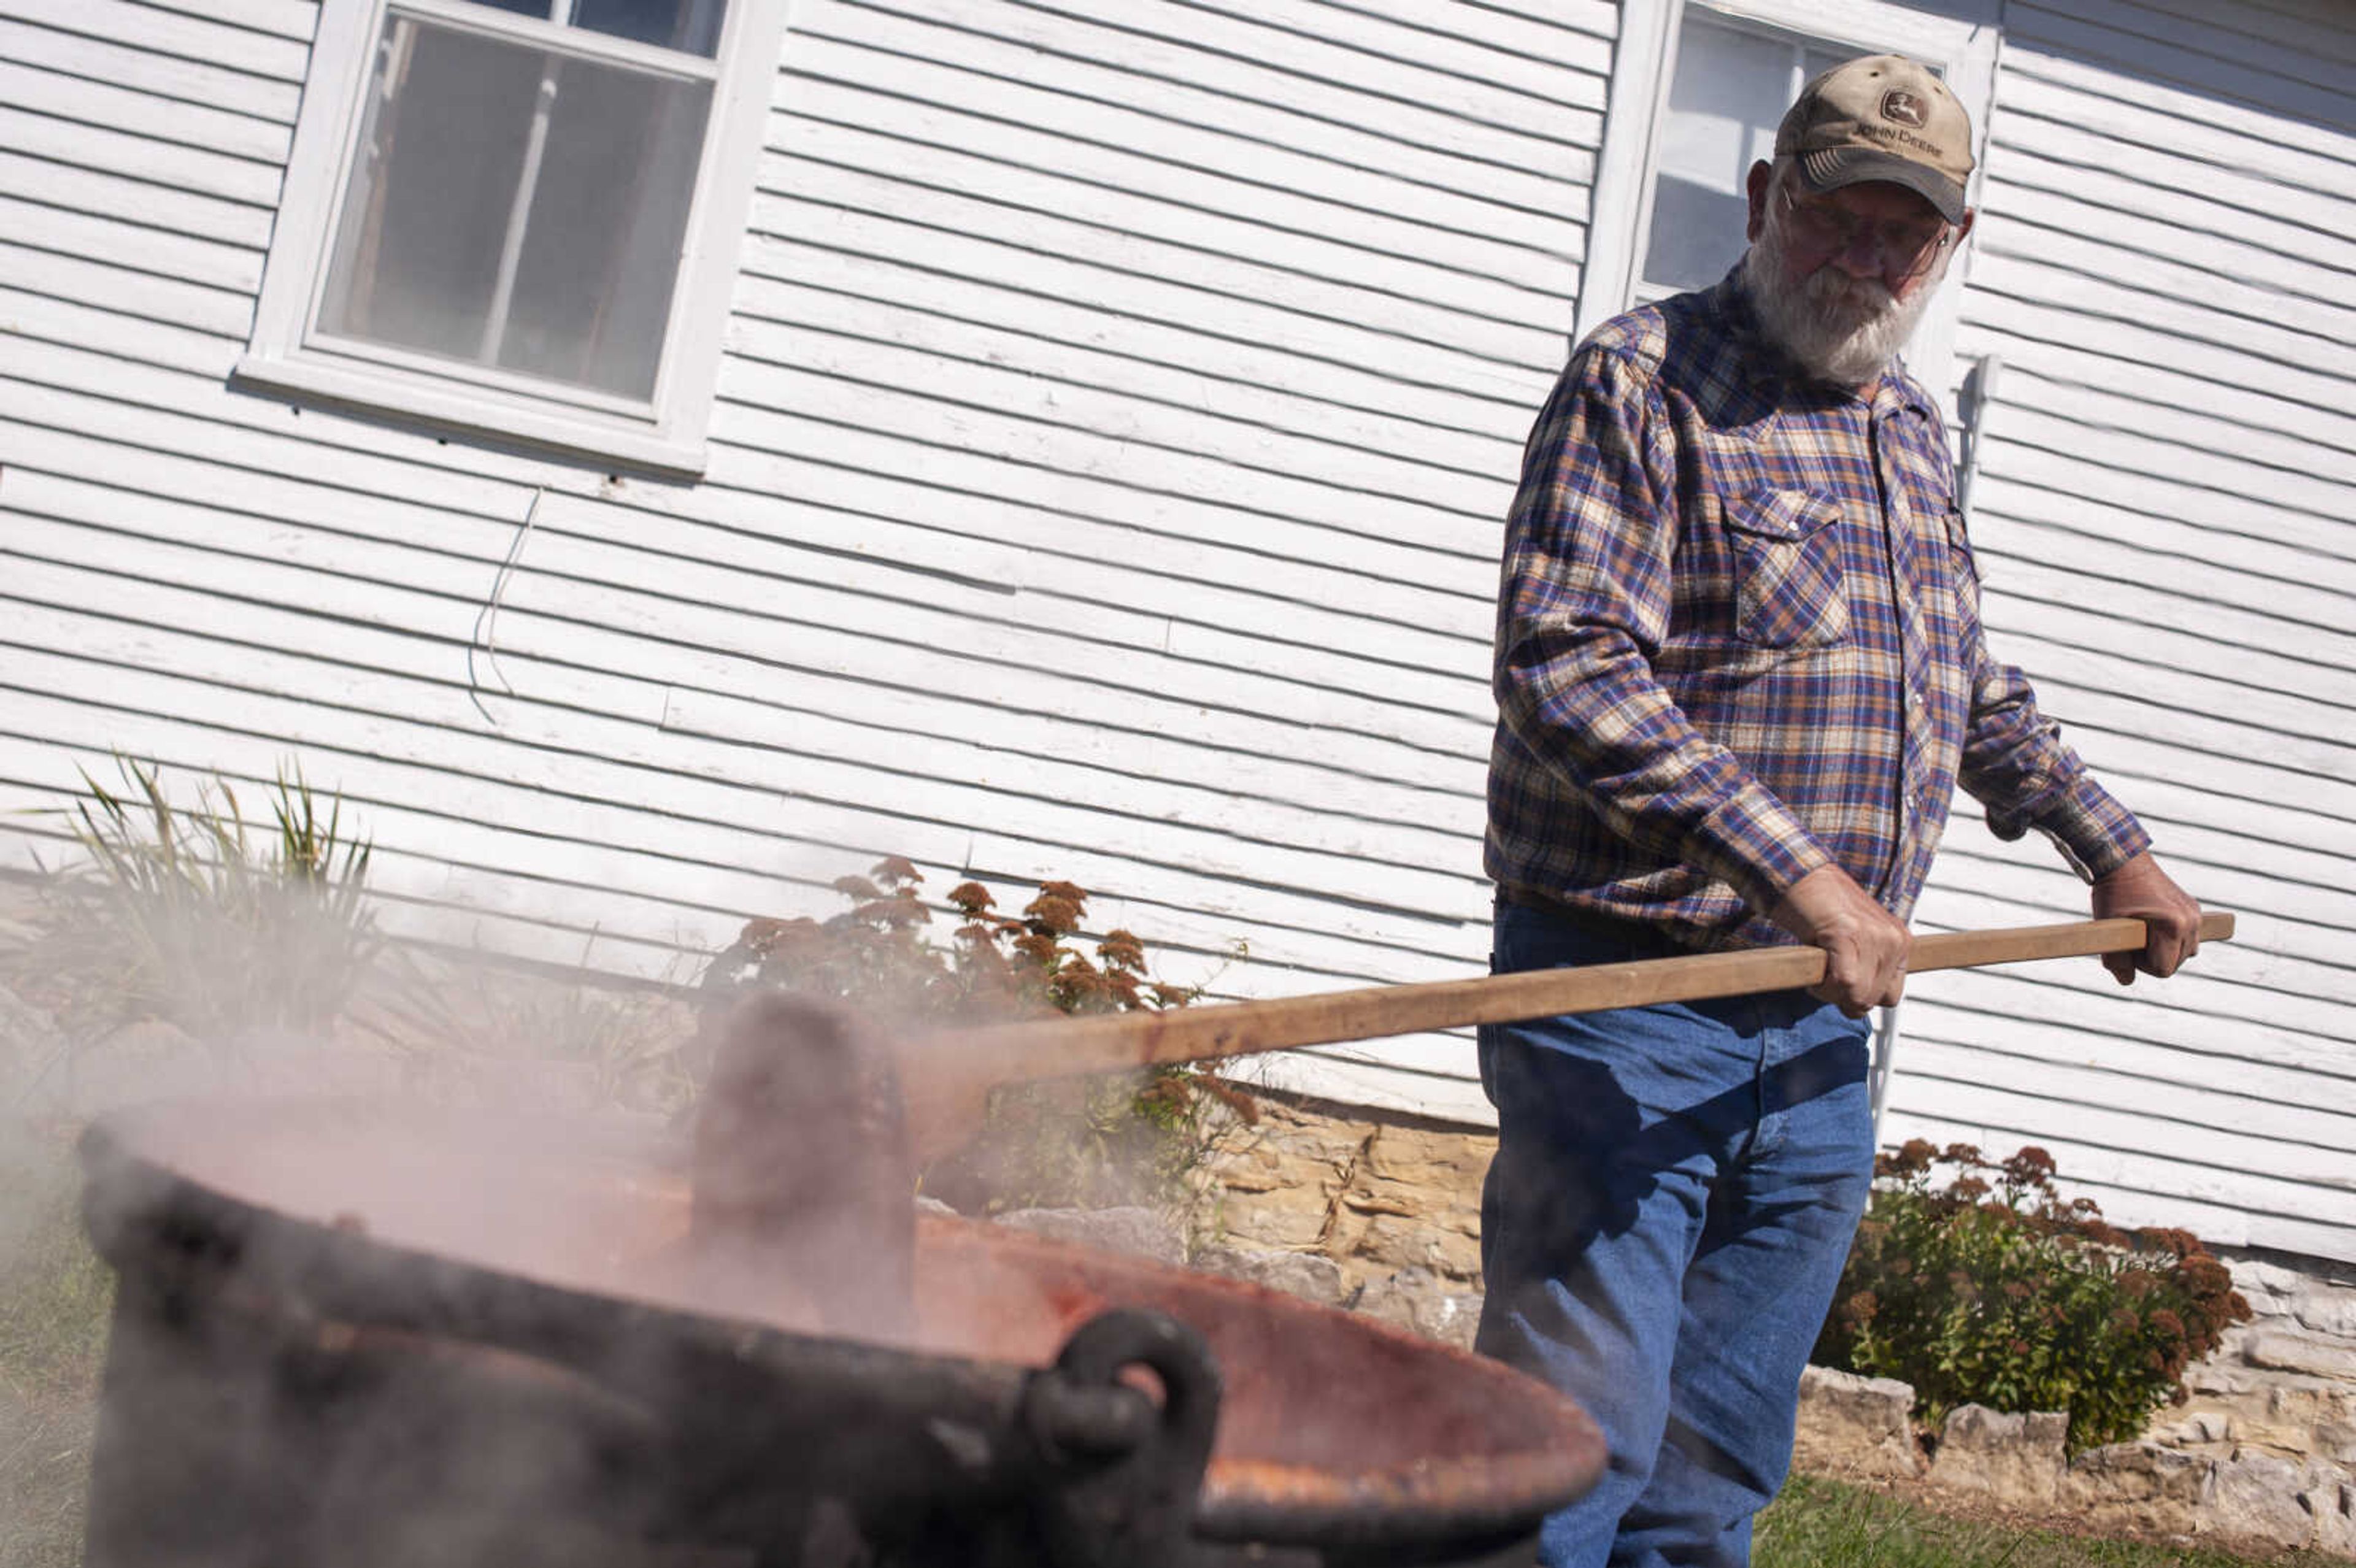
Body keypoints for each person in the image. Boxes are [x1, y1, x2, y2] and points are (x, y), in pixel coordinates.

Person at [1477, 53, 2205, 1568]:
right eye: (1838, 218)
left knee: (1714, 1478)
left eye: (1908, 236)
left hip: (1817, 1036)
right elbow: (1569, 669)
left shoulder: (1910, 432)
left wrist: (2109, 844)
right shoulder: (1642, 380)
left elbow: (1960, 687)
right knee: (1565, 1459)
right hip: (1626, 1001)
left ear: (1947, 248)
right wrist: (1802, 877)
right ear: (1765, 199)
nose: (1868, 262)